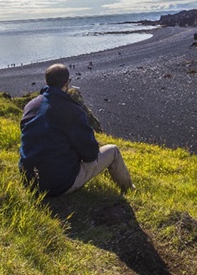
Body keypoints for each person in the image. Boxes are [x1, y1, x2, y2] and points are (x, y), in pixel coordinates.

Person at [19, 63, 134, 197]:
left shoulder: (31, 106)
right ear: (67, 82)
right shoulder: (71, 110)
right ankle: (129, 190)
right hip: (57, 185)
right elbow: (90, 154)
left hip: (29, 181)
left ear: (46, 81)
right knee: (113, 151)